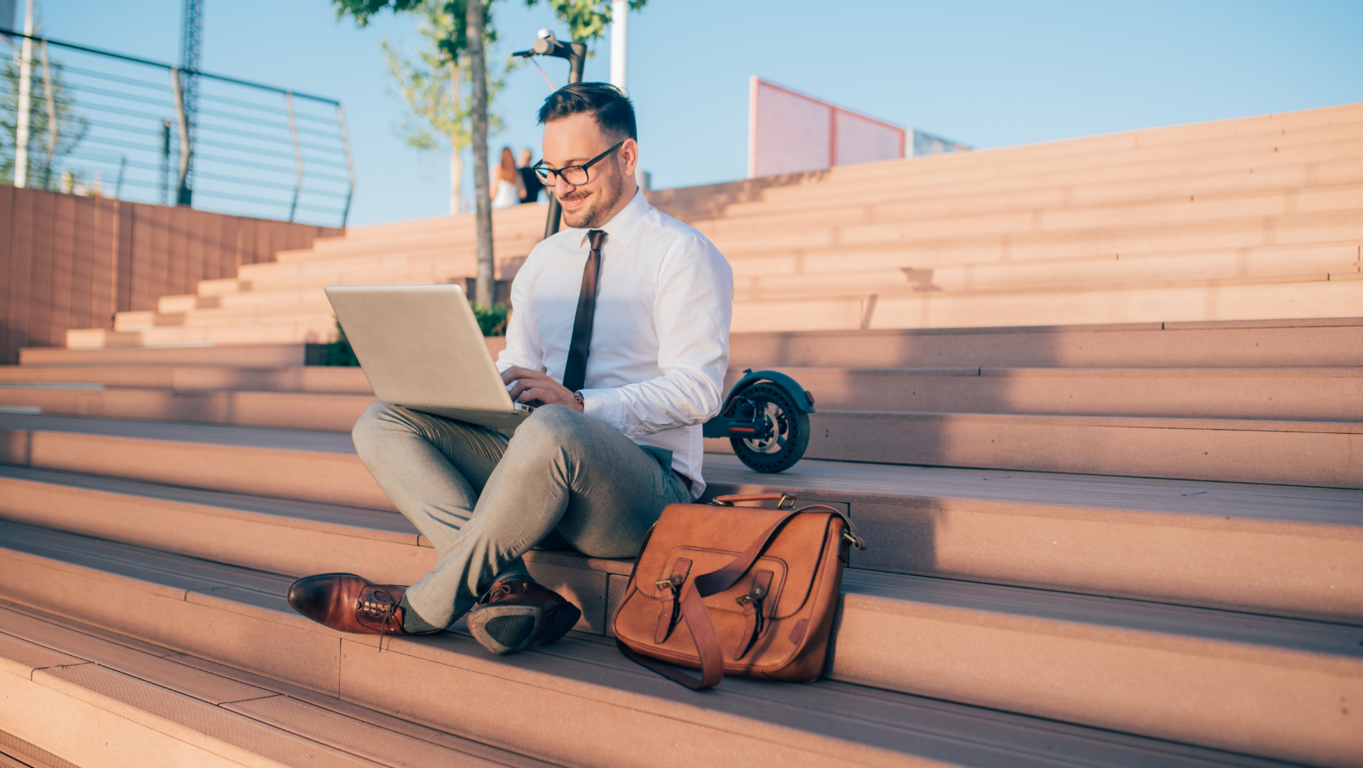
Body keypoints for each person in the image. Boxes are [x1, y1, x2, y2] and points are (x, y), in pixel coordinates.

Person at [287, 83, 735, 657]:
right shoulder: (544, 263)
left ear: (627, 156)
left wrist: (579, 405)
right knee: (382, 421)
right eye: (550, 170)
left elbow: (699, 392)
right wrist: (473, 390)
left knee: (553, 429)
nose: (561, 187)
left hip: (643, 493)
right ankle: (508, 586)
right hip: (538, 473)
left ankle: (420, 608)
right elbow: (518, 369)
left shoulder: (681, 253)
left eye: (577, 168)